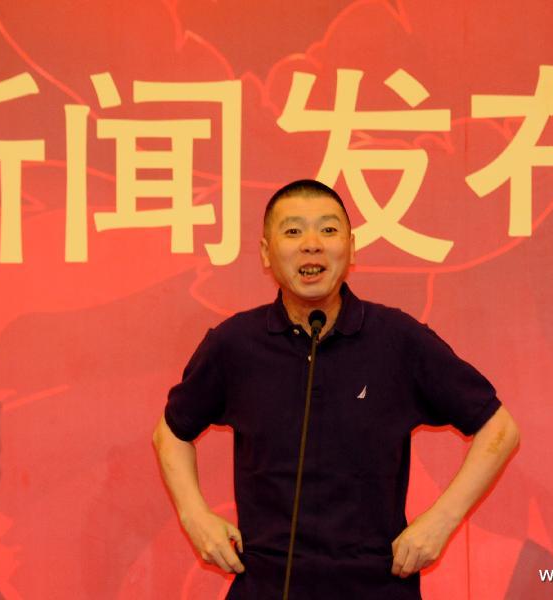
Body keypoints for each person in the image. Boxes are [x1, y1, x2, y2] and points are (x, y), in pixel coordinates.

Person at [153, 179, 520, 598]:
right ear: (266, 252)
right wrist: (194, 515)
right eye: (293, 231)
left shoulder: (397, 339)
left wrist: (440, 521)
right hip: (269, 585)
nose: (312, 244)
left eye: (328, 230)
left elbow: (500, 429)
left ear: (351, 247)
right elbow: (171, 433)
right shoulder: (234, 344)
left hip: (377, 587)